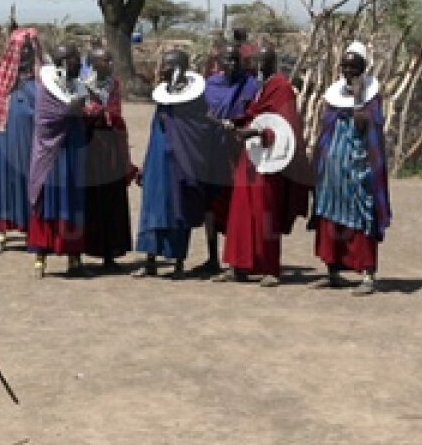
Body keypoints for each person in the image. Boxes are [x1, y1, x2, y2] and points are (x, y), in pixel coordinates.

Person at [214, 46, 311, 286]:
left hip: (271, 161)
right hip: (251, 156)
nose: (256, 66)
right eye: (254, 62)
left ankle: (270, 268)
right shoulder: (260, 88)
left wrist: (258, 131)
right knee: (240, 211)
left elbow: (286, 127)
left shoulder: (282, 88)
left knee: (265, 212)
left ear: (272, 62)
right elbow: (254, 115)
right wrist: (237, 125)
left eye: (261, 62)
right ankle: (238, 265)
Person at [132, 49, 226, 279]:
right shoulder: (163, 97)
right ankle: (150, 259)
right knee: (153, 208)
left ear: (180, 68)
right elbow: (156, 130)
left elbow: (202, 128)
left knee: (177, 209)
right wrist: (146, 164)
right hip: (158, 160)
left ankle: (178, 262)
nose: (163, 69)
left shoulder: (195, 100)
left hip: (181, 162)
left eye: (168, 65)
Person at [308, 42, 392, 295]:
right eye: (344, 66)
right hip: (333, 172)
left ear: (363, 68)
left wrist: (357, 99)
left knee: (362, 216)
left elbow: (367, 127)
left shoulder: (370, 99)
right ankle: (333, 270)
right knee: (330, 216)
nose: (348, 71)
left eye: (354, 67)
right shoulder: (334, 97)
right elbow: (326, 128)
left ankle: (367, 274)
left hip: (358, 168)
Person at [27, 43, 89, 277]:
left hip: (72, 149)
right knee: (47, 201)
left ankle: (74, 256)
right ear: (63, 62)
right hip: (51, 155)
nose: (79, 64)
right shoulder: (46, 88)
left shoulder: (76, 85)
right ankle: (41, 256)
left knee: (72, 200)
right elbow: (48, 118)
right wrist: (71, 109)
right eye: (74, 60)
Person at [0, 28, 43, 254]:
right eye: (21, 49)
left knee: (30, 180)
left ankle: (31, 230)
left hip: (31, 142)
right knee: (4, 181)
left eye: (29, 49)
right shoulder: (1, 80)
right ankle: (1, 231)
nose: (25, 54)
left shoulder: (43, 81)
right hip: (5, 139)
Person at [200, 45, 260, 274]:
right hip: (213, 150)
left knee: (238, 203)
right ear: (220, 62)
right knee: (211, 204)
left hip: (239, 150)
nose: (233, 64)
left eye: (236, 59)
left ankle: (238, 258)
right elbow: (201, 112)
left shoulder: (250, 85)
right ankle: (212, 257)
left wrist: (237, 124)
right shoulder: (210, 85)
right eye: (228, 60)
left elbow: (254, 112)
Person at [81, 46, 134, 270]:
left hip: (111, 149)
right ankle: (86, 249)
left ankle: (110, 254)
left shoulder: (114, 85)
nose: (110, 65)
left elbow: (116, 114)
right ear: (93, 64)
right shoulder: (82, 87)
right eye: (105, 61)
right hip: (91, 149)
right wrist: (94, 114)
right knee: (92, 200)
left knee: (112, 199)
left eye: (111, 60)